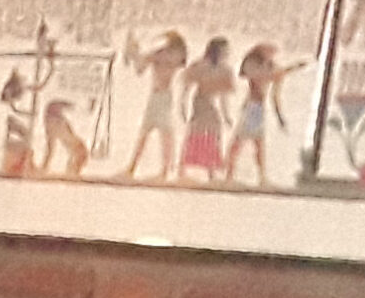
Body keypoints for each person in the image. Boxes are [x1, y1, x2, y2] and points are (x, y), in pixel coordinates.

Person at [229, 41, 311, 186]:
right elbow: (260, 76)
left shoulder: (271, 68)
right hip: (251, 107)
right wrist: (290, 69)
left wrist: (279, 116)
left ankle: (260, 177)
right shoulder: (254, 66)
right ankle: (231, 174)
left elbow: (275, 94)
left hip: (258, 109)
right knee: (242, 141)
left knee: (256, 143)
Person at [120, 29, 187, 179]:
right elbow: (140, 68)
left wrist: (138, 53)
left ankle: (163, 170)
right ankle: (134, 168)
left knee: (163, 133)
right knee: (149, 132)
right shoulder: (163, 55)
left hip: (163, 97)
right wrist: (135, 53)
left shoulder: (168, 56)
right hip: (156, 97)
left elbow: (145, 65)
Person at [178, 36, 237, 181]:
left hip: (212, 103)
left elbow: (223, 96)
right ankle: (183, 168)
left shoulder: (224, 69)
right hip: (200, 101)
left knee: (213, 134)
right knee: (196, 132)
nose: (227, 53)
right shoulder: (201, 66)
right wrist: (183, 106)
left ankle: (210, 170)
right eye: (224, 50)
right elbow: (187, 88)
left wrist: (226, 115)